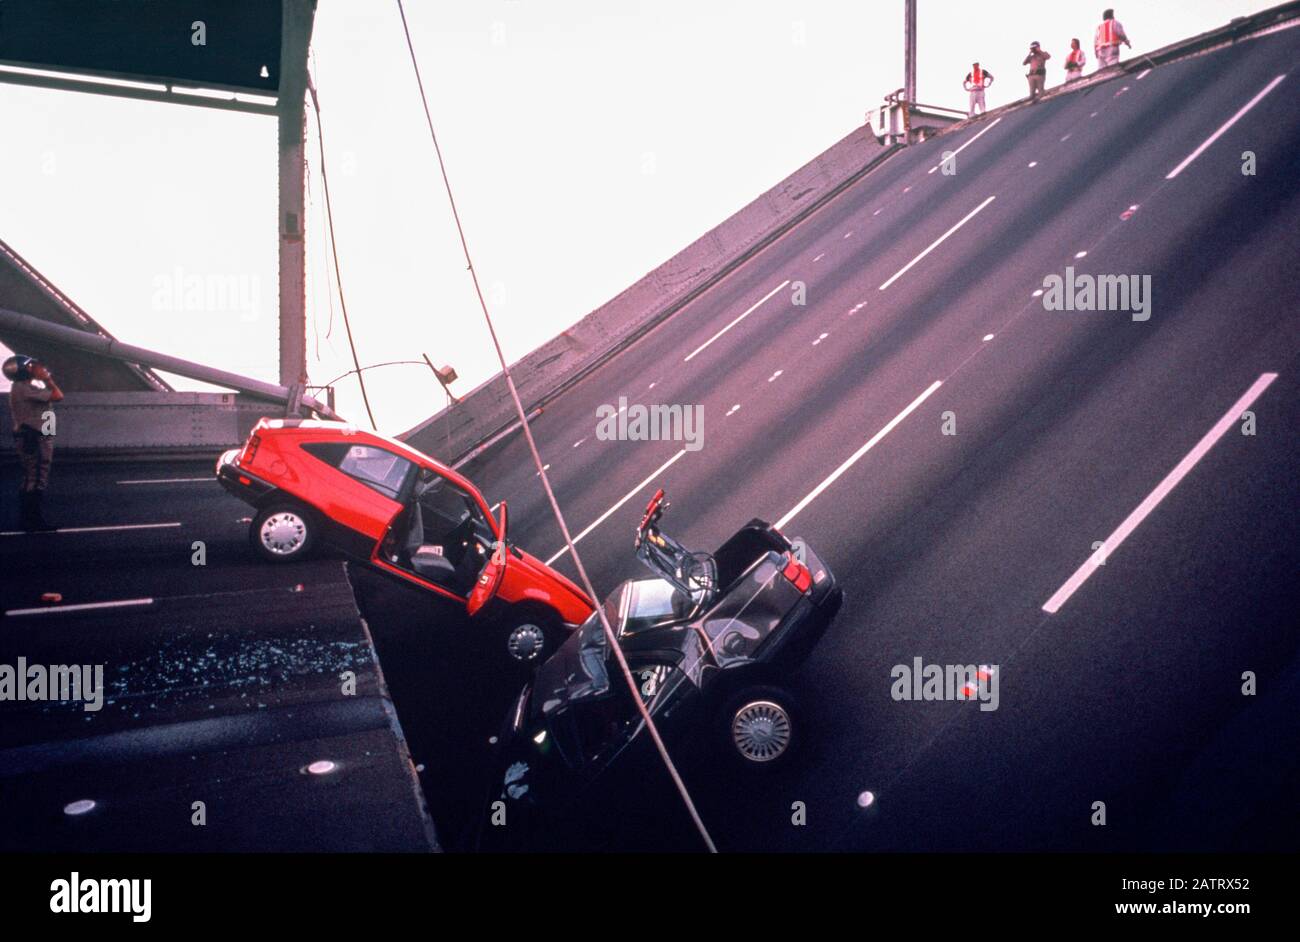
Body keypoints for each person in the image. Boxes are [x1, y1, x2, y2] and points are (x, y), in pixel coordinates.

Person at [4, 354, 63, 531]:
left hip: (38, 435)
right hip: (34, 437)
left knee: (32, 477)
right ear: (22, 370)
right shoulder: (24, 389)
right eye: (31, 366)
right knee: (37, 478)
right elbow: (58, 395)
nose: (36, 368)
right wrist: (47, 379)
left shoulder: (22, 388)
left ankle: (28, 519)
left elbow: (47, 412)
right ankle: (33, 520)